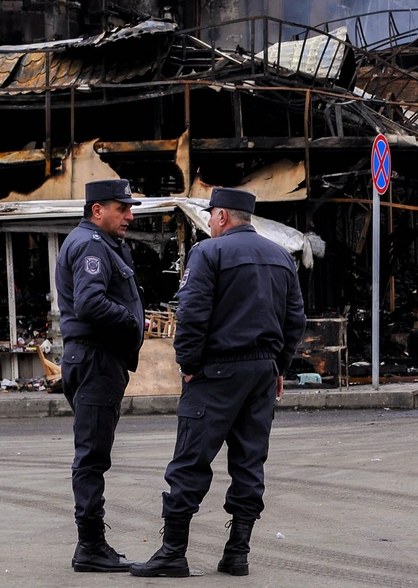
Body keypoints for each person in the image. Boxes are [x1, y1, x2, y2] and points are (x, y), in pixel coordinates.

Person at [130, 187, 306, 579]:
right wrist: (278, 367)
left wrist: (188, 364)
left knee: (190, 460)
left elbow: (192, 315)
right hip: (261, 372)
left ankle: (173, 553)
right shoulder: (281, 256)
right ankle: (237, 553)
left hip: (217, 372)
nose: (210, 221)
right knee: (249, 462)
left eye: (211, 215)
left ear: (223, 216)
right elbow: (295, 319)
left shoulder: (208, 253)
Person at [56, 179, 145, 572]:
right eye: (121, 208)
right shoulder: (91, 244)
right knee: (91, 456)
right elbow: (90, 303)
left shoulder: (100, 243)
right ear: (97, 210)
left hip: (96, 360)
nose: (129, 216)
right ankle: (89, 547)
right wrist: (130, 321)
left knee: (94, 454)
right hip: (95, 361)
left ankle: (91, 544)